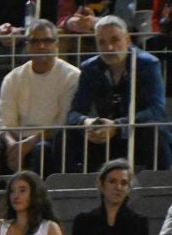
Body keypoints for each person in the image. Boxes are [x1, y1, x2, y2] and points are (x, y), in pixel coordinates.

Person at [68, 16, 168, 173]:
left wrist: (118, 126)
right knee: (66, 135)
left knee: (155, 132)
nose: (109, 47)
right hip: (106, 137)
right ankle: (68, 192)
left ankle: (162, 187)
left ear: (127, 40)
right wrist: (87, 122)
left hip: (138, 134)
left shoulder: (148, 64)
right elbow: (74, 113)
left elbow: (157, 110)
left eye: (115, 40)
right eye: (102, 42)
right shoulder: (90, 68)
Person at [0, 20, 78, 175]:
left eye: (47, 41)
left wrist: (30, 143)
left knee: (42, 150)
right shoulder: (13, 78)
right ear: (28, 45)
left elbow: (63, 122)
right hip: (19, 140)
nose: (41, 46)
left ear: (56, 44)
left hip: (51, 139)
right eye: (35, 41)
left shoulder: (72, 76)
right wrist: (12, 145)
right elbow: (4, 122)